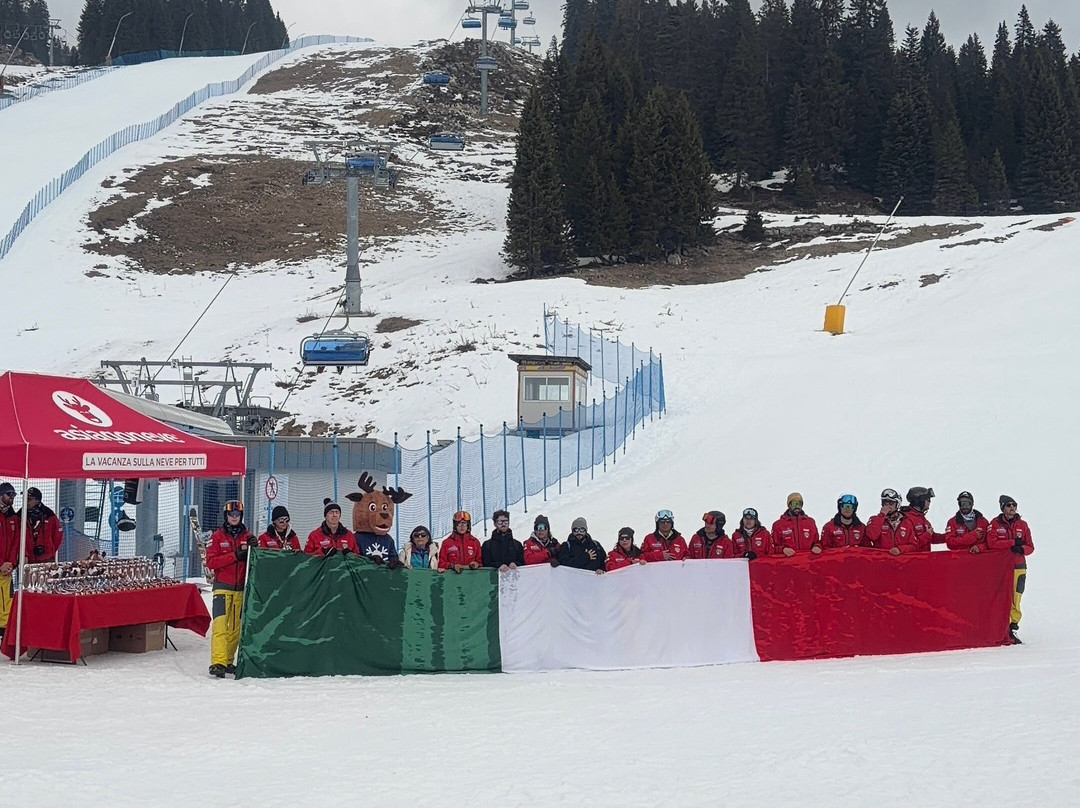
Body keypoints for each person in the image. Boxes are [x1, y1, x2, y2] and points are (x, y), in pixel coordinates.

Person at [204, 500, 256, 678]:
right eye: (231, 515)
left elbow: (254, 561)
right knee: (220, 626)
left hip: (240, 589)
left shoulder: (247, 536)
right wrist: (235, 555)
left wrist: (254, 548)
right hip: (222, 589)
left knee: (235, 629)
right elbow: (211, 562)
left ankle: (227, 660)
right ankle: (217, 662)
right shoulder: (217, 537)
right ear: (226, 516)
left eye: (237, 515)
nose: (234, 518)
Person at [986, 495, 1034, 643]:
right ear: (1002, 508)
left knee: (1016, 597)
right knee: (1001, 598)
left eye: (1014, 505)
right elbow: (991, 543)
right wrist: (1011, 543)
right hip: (1001, 569)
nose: (1012, 508)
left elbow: (1031, 547)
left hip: (1018, 566)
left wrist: (1021, 549)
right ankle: (1001, 627)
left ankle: (1013, 626)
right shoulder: (994, 524)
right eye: (1008, 505)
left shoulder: (1023, 525)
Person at [866, 488, 919, 555]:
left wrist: (900, 549)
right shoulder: (875, 519)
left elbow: (914, 546)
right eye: (885, 503)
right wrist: (881, 515)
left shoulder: (906, 522)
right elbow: (872, 536)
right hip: (881, 561)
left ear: (897, 505)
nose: (888, 506)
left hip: (901, 563)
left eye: (891, 503)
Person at [19, 486, 63, 564]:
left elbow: (57, 536)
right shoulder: (20, 515)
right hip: (26, 560)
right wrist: (24, 554)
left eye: (29, 499)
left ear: (37, 500)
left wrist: (49, 551)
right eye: (24, 499)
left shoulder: (49, 514)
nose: (26, 502)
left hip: (47, 559)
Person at [772, 492, 821, 557]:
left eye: (800, 503)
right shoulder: (778, 525)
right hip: (787, 563)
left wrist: (817, 546)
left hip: (808, 562)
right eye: (794, 503)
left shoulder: (810, 522)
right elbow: (772, 547)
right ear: (789, 505)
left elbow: (818, 542)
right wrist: (783, 549)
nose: (797, 506)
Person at [0, 482, 18, 639]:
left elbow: (15, 543)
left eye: (13, 494)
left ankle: (4, 632)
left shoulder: (13, 517)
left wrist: (11, 562)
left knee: (7, 600)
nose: (12, 497)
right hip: (1, 565)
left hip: (6, 568)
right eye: (9, 494)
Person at [901, 486, 943, 552]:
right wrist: (927, 535)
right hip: (911, 560)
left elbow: (932, 538)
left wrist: (948, 537)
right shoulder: (906, 518)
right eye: (928, 500)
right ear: (919, 501)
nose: (930, 502)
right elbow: (911, 544)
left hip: (924, 559)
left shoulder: (921, 518)